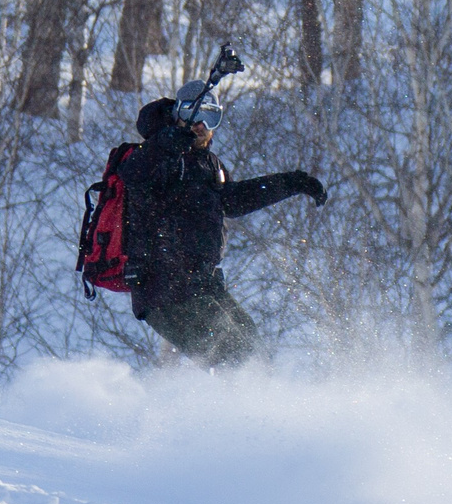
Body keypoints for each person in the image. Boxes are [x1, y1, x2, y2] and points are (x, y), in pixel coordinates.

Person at [119, 75, 325, 367]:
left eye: (211, 117)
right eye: (194, 115)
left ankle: (243, 409)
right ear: (178, 116)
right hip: (164, 287)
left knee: (253, 351)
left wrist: (293, 182)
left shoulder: (208, 163)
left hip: (201, 284)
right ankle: (227, 411)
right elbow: (133, 175)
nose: (201, 126)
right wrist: (163, 144)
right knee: (234, 360)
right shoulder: (158, 156)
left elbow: (234, 200)